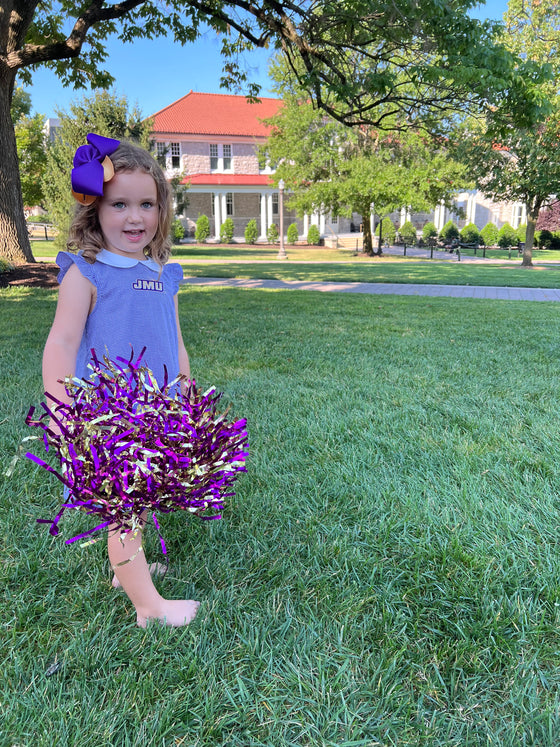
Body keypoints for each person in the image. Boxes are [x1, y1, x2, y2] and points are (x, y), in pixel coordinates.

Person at [42, 134, 199, 628]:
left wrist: (187, 391)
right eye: (120, 204)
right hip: (110, 413)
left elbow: (174, 340)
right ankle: (149, 607)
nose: (135, 217)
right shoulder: (86, 272)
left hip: (159, 410)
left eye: (147, 204)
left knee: (141, 497)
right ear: (95, 210)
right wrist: (59, 408)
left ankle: (126, 571)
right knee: (123, 509)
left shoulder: (162, 271)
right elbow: (62, 343)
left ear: (162, 209)